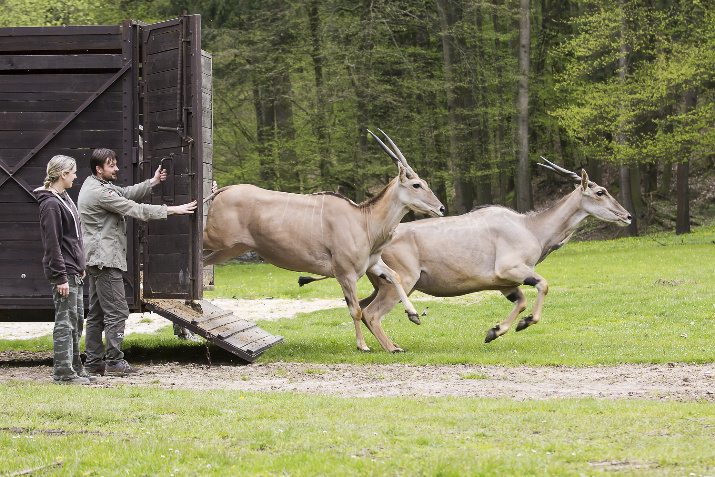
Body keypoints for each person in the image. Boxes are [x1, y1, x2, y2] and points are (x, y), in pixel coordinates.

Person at [78, 148, 197, 376]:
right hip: (106, 261)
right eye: (111, 165)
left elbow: (125, 192)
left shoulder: (94, 184)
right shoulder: (100, 193)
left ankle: (94, 362)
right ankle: (114, 362)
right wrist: (173, 209)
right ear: (99, 169)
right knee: (117, 311)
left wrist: (151, 182)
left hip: (96, 259)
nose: (116, 168)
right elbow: (134, 209)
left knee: (97, 312)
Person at [34, 155, 94, 385]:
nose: (76, 176)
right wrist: (60, 276)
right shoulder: (50, 203)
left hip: (74, 271)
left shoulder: (64, 197)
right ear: (63, 174)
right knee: (65, 322)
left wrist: (81, 266)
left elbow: (73, 238)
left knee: (76, 321)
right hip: (64, 273)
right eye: (73, 172)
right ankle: (63, 372)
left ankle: (75, 369)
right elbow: (53, 243)